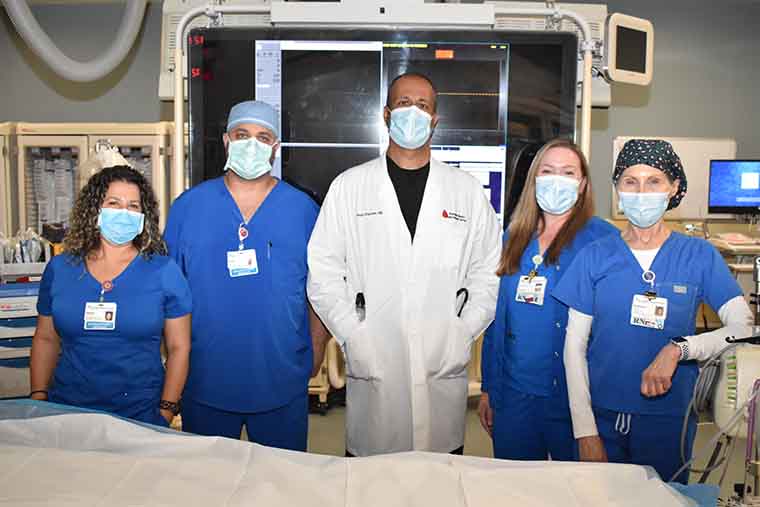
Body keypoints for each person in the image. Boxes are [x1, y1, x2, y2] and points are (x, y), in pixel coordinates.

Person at [307, 72, 501, 457]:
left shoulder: (465, 191)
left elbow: (489, 271)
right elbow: (324, 271)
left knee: (440, 479)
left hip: (441, 363)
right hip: (374, 360)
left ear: (435, 120)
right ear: (385, 114)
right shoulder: (350, 186)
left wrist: (462, 332)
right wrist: (352, 334)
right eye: (403, 104)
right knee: (370, 484)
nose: (413, 112)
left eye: (423, 106)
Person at [553, 139, 753, 483]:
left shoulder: (699, 256)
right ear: (617, 188)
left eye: (654, 181)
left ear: (674, 187)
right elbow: (573, 348)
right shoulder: (595, 256)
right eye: (630, 181)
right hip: (601, 416)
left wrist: (681, 348)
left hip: (669, 419)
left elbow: (744, 327)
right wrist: (585, 431)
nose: (641, 192)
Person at [164, 100, 329, 450]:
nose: (252, 144)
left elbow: (322, 289)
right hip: (206, 379)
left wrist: (316, 346)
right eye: (242, 135)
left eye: (262, 136)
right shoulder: (189, 208)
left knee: (281, 487)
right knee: (209, 487)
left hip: (281, 379)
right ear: (226, 141)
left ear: (275, 148)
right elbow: (166, 293)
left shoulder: (303, 211)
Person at [478, 139, 617, 461]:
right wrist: (490, 387)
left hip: (574, 397)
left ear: (582, 184)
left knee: (577, 491)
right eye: (548, 171)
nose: (557, 179)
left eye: (568, 172)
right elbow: (496, 319)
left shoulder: (603, 241)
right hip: (514, 396)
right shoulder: (513, 237)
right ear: (534, 179)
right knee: (516, 490)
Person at [30, 165, 191, 427]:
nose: (123, 213)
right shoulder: (61, 269)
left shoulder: (164, 272)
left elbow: (179, 347)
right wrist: (38, 396)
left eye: (133, 206)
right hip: (68, 412)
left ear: (143, 216)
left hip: (141, 414)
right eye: (114, 203)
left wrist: (166, 410)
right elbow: (46, 338)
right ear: (95, 210)